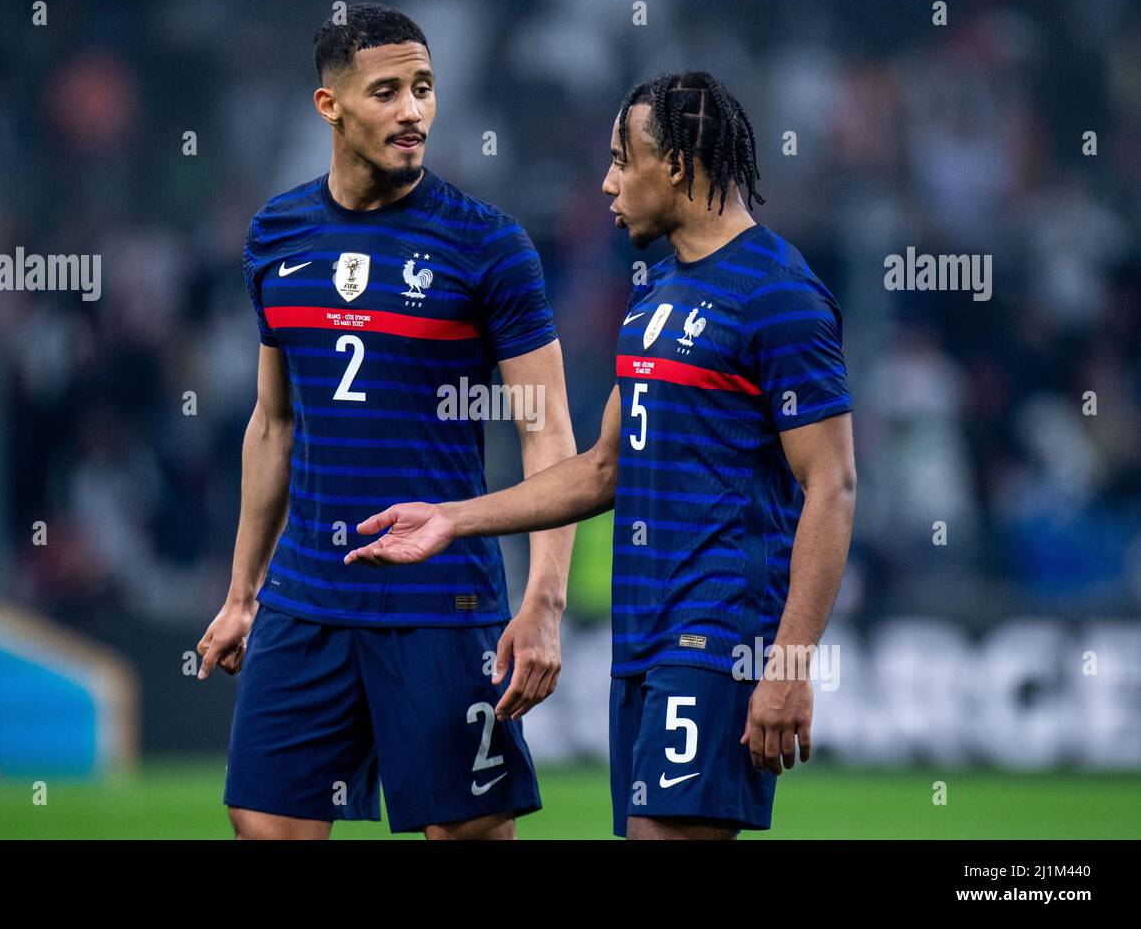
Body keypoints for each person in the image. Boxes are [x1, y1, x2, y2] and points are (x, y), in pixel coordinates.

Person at [345, 71, 857, 840]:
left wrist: (787, 665)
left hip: (719, 633)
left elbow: (834, 485)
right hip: (641, 638)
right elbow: (601, 470)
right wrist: (452, 519)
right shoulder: (655, 303)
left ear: (677, 165)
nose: (608, 181)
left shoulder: (780, 296)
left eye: (623, 159)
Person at [197, 3, 577, 840]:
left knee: (467, 834)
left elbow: (546, 430)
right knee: (261, 821)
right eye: (388, 91)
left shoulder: (489, 246)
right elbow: (272, 424)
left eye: (425, 88)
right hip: (308, 594)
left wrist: (545, 597)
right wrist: (241, 593)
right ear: (329, 107)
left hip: (441, 601)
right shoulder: (277, 234)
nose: (413, 111)